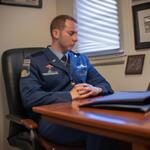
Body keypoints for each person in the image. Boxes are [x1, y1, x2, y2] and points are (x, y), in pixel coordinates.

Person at [20, 15, 118, 150]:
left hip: (82, 115)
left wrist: (96, 89)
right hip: (52, 120)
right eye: (71, 33)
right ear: (55, 33)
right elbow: (30, 98)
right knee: (100, 131)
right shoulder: (34, 61)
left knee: (116, 128)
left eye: (77, 34)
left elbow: (105, 86)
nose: (76, 38)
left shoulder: (81, 59)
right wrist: (70, 95)